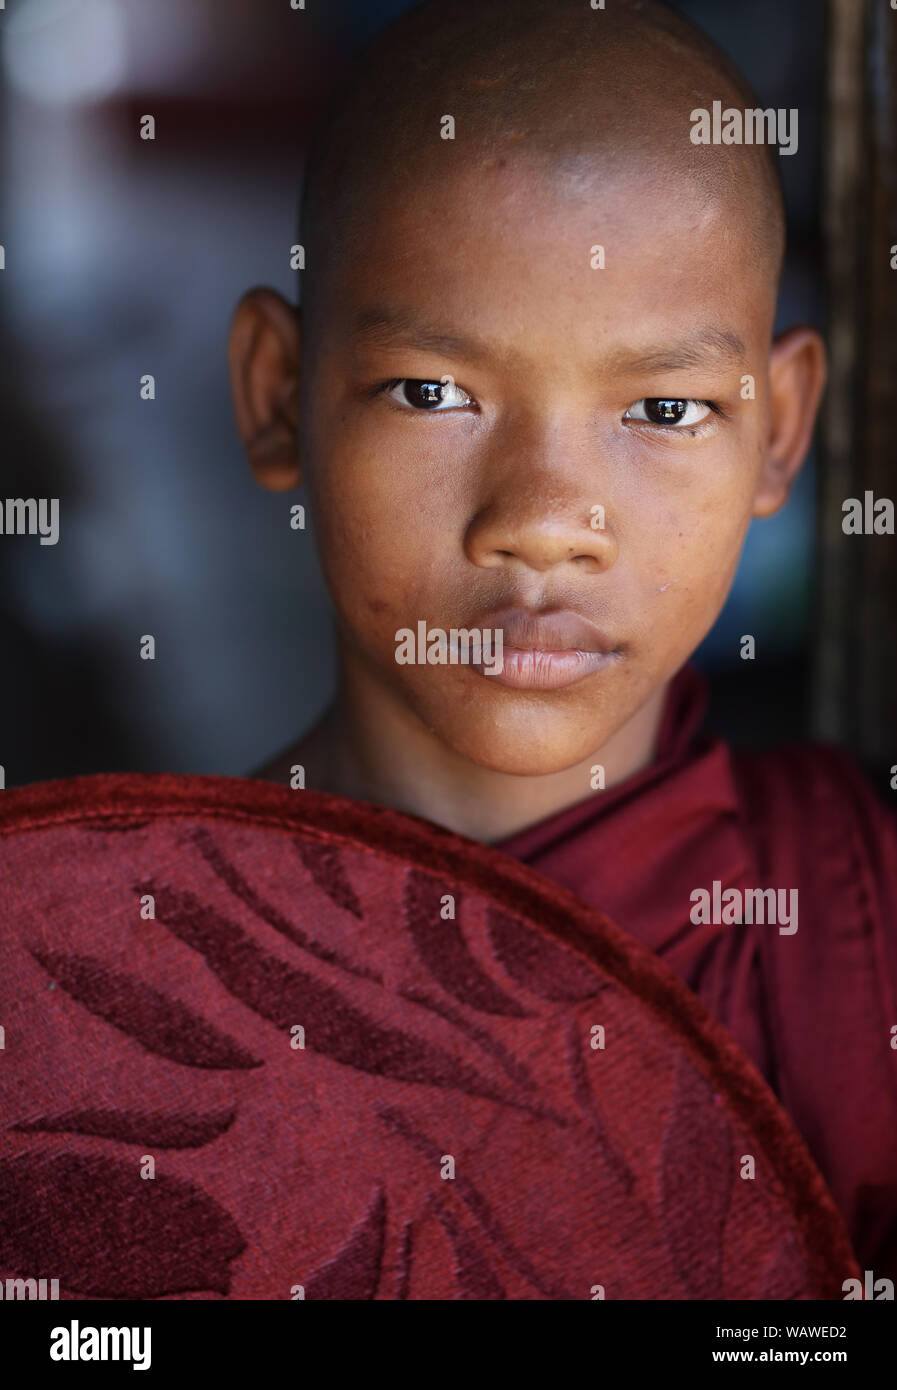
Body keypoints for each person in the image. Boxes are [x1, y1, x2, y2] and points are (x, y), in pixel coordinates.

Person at [227, 0, 897, 1284]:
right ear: (276, 397)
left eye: (663, 406)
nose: (544, 523)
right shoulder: (124, 950)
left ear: (783, 426)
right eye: (435, 393)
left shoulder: (851, 927)